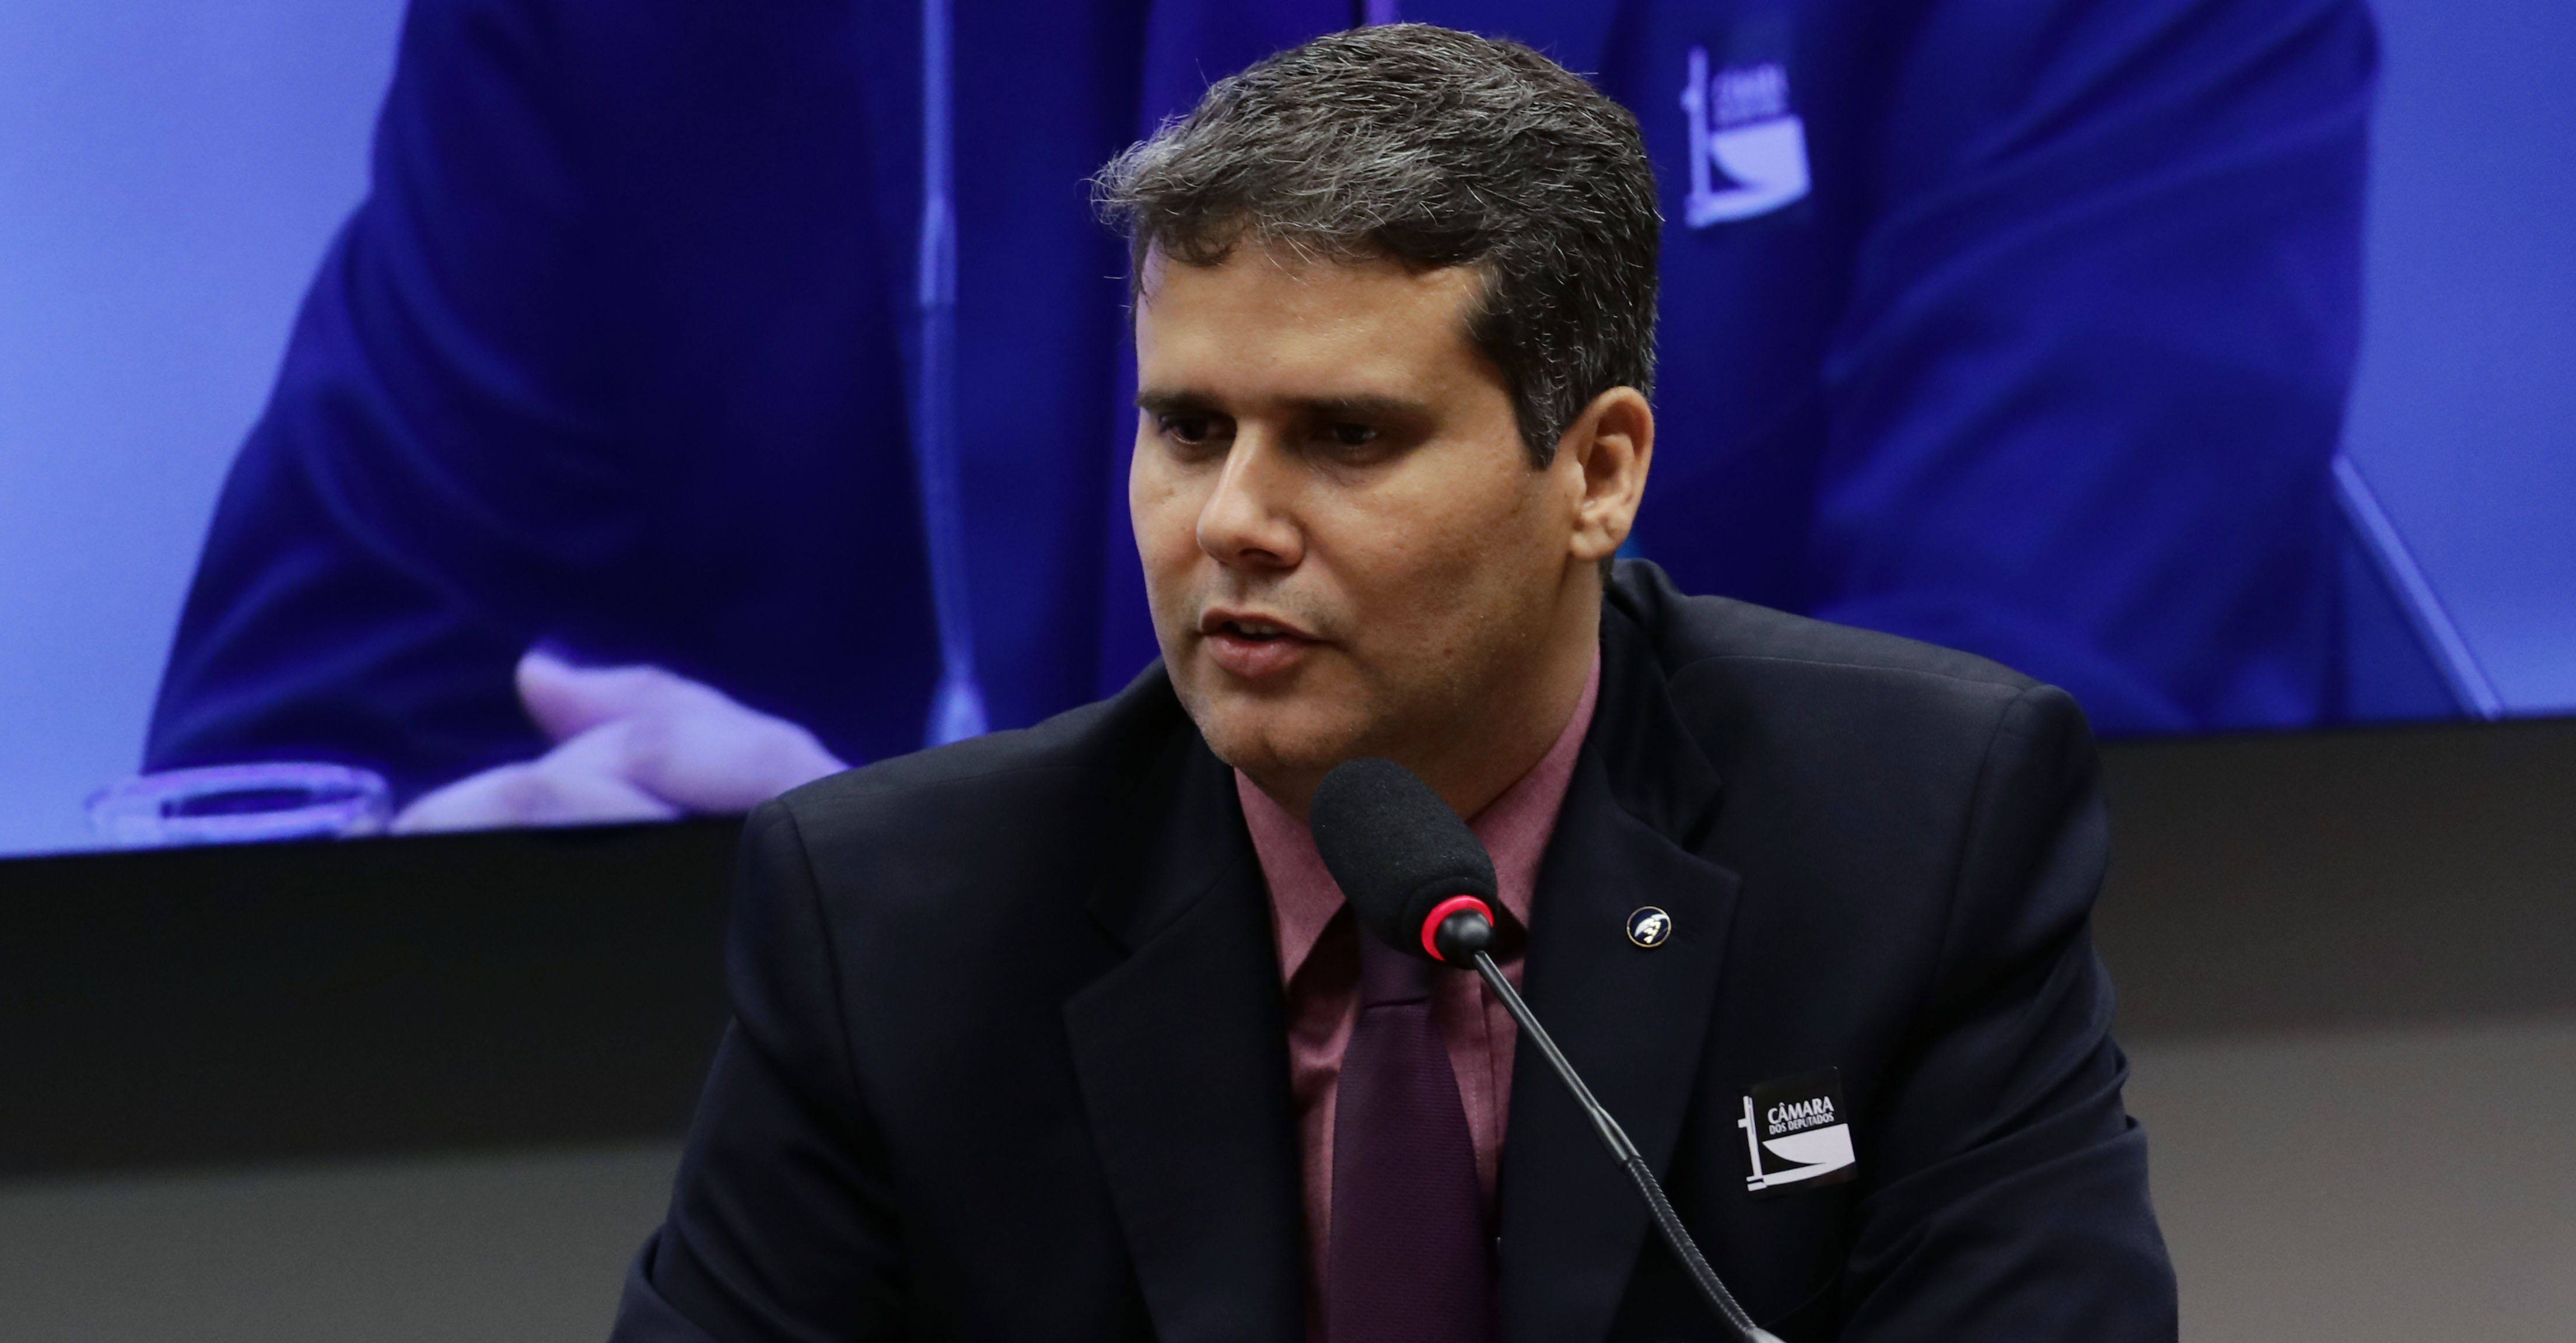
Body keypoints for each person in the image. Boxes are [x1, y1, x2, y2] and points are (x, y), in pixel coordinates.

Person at [505, 27, 2179, 1343]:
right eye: (1187, 428)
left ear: (1597, 472)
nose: (1231, 520)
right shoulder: (898, 914)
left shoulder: (1909, 817)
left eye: (1346, 437)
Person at [140, 0, 2373, 832]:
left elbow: (2007, 784)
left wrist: (945, 958)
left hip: (1766, 1278)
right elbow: (292, 760)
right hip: (862, 1342)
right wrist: (501, 883)